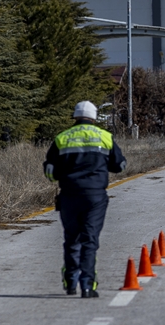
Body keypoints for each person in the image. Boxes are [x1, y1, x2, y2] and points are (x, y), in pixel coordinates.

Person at [44, 101, 126, 297]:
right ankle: (88, 285)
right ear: (94, 117)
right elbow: (120, 165)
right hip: (95, 196)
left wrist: (62, 176)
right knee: (89, 239)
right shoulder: (105, 137)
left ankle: (71, 281)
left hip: (69, 195)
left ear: (75, 117)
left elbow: (50, 171)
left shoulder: (62, 138)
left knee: (72, 239)